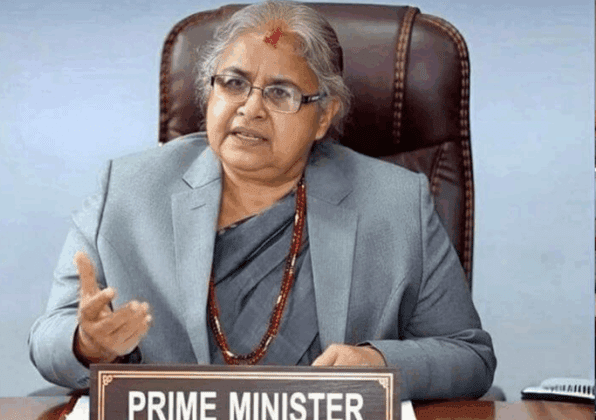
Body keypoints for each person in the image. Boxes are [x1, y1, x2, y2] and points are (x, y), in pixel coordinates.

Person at [28, 0, 496, 401]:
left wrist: (379, 363)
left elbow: (470, 357)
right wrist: (86, 343)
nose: (250, 108)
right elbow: (48, 337)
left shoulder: (395, 204)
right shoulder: (128, 190)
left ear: (323, 116)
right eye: (233, 83)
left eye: (280, 92)